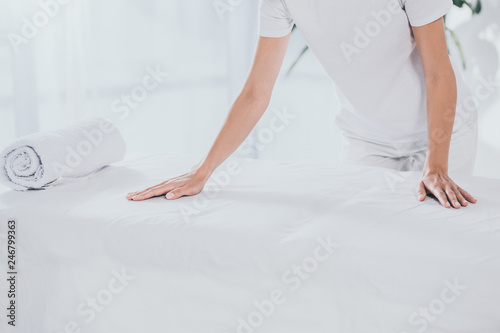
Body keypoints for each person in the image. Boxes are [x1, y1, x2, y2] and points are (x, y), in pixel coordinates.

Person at [127, 0, 478, 209]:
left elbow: (438, 73)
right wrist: (202, 171)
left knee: (432, 238)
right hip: (366, 141)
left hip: (443, 137)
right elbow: (256, 92)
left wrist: (436, 166)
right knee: (368, 244)